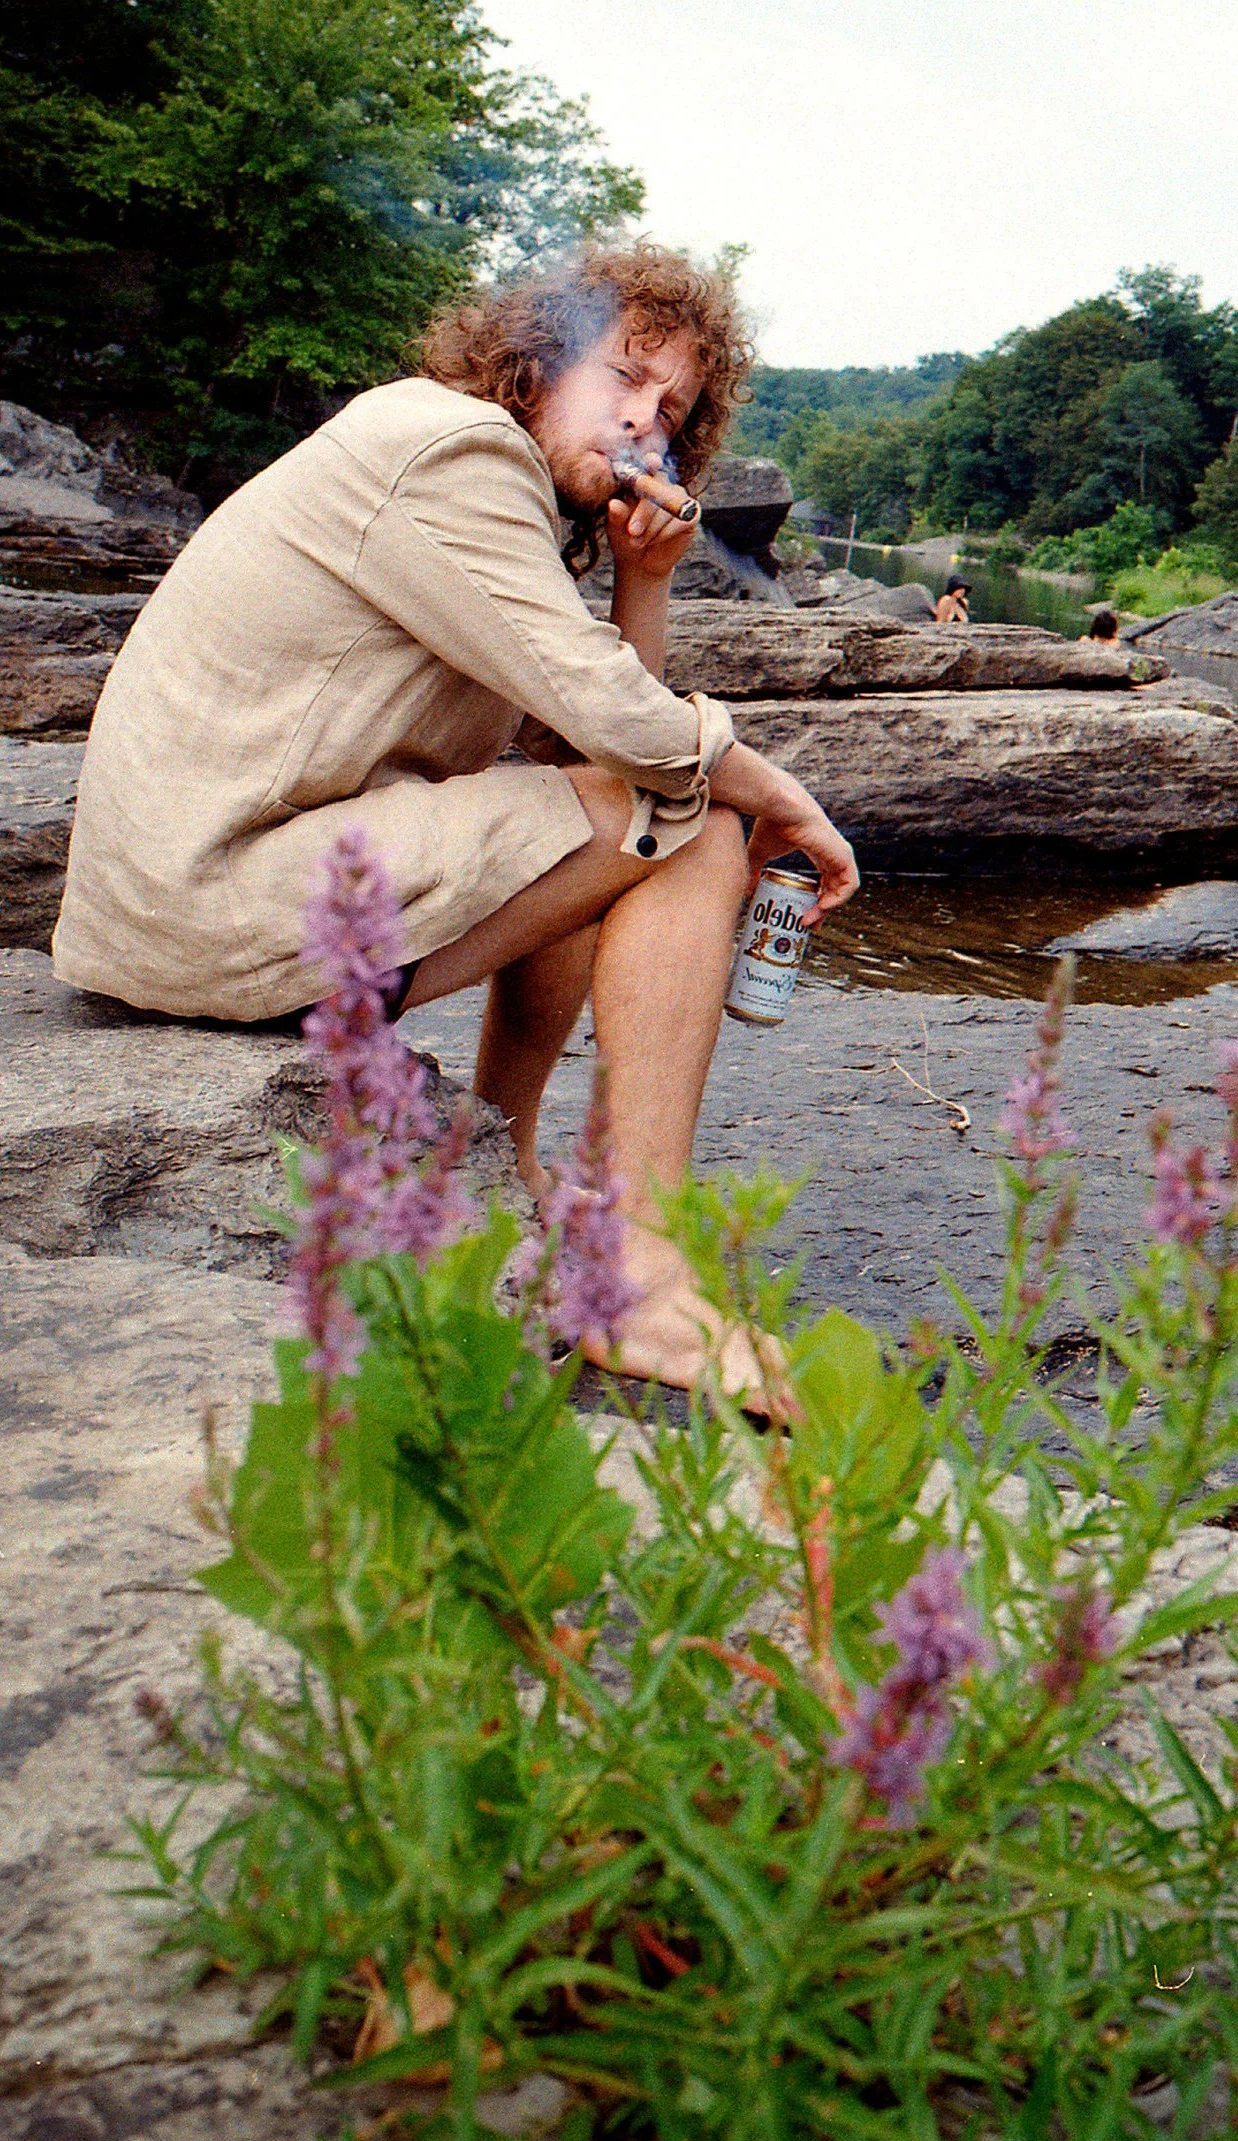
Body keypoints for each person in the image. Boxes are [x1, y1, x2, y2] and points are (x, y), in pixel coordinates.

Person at [52, 241, 860, 1402]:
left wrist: (645, 579)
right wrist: (781, 795)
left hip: (209, 898)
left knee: (622, 825)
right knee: (693, 825)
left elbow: (585, 757)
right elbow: (632, 746)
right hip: (214, 899)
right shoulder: (453, 449)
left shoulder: (487, 484)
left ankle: (509, 1153)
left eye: (671, 408)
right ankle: (640, 1275)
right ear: (538, 357)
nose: (645, 423)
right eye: (623, 376)